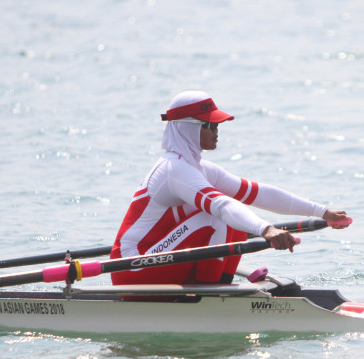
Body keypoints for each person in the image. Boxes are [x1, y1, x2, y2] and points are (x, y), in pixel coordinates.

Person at [110, 90, 351, 286]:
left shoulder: (201, 169)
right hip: (133, 268)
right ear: (188, 128)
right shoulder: (174, 169)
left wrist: (323, 212)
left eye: (217, 125)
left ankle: (217, 286)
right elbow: (221, 206)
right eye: (210, 125)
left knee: (234, 211)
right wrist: (266, 229)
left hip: (158, 261)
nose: (217, 131)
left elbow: (261, 193)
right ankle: (213, 294)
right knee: (219, 215)